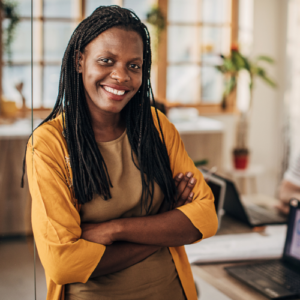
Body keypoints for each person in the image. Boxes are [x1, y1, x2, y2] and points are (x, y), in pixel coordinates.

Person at [25, 6, 218, 300]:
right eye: (106, 61)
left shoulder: (157, 126)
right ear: (80, 61)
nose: (121, 76)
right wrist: (166, 224)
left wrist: (113, 230)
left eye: (134, 65)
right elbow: (63, 263)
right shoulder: (50, 143)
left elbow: (204, 217)